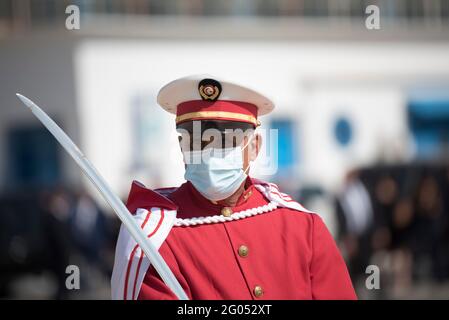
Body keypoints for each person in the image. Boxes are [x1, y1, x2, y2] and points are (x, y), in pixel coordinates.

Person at [111, 75, 356, 300]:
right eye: (197, 142)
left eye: (226, 141)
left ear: (255, 147)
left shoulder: (303, 227)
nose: (209, 153)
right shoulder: (154, 238)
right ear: (182, 148)